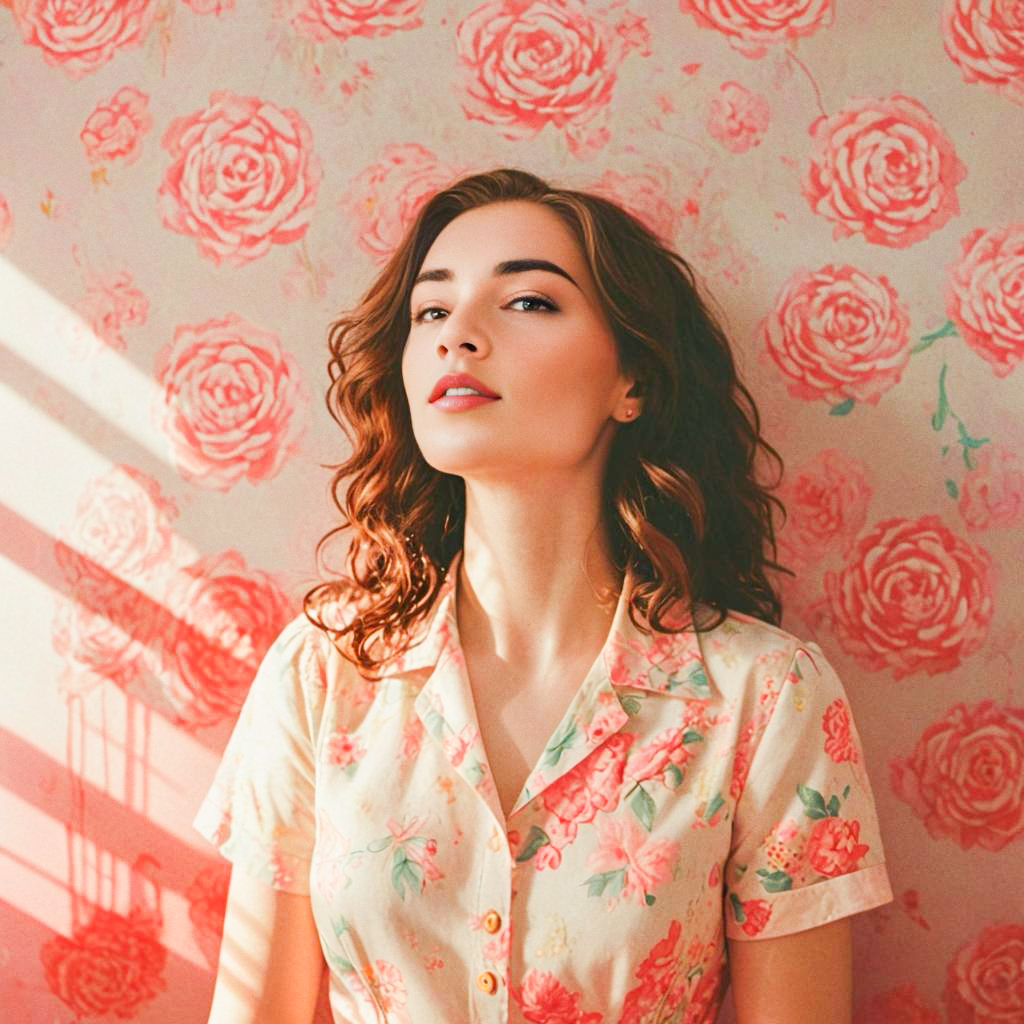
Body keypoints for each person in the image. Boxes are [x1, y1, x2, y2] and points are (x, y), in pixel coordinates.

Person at [195, 167, 894, 1023]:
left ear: (631, 381)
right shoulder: (324, 670)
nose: (460, 334)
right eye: (432, 310)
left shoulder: (767, 694)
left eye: (527, 302)